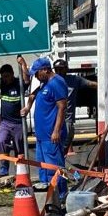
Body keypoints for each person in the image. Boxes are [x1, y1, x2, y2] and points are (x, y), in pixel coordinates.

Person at [22, 58, 68, 203]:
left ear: (45, 70)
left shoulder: (57, 82)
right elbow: (33, 94)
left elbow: (62, 107)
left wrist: (56, 130)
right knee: (42, 167)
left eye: (36, 73)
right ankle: (48, 197)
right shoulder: (44, 83)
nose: (35, 76)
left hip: (51, 135)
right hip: (41, 135)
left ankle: (60, 197)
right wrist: (28, 106)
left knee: (54, 168)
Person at [51, 58, 98, 154]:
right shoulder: (51, 82)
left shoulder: (74, 80)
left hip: (68, 121)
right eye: (56, 69)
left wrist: (106, 85)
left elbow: (91, 84)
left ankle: (60, 165)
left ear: (66, 69)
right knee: (56, 149)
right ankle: (57, 167)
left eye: (61, 69)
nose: (59, 71)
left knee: (64, 147)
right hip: (55, 121)